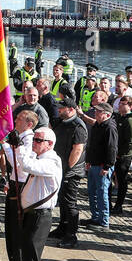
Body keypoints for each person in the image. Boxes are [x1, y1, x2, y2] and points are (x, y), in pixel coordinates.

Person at [3, 125, 62, 261]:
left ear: (49, 144)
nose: (35, 143)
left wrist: (19, 148)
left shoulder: (52, 161)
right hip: (32, 215)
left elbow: (27, 166)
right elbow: (23, 166)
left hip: (40, 217)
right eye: (34, 139)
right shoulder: (40, 158)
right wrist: (14, 147)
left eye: (38, 140)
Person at [48, 95, 87, 248]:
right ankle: (62, 228)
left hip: (71, 171)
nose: (58, 110)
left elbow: (77, 150)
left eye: (62, 108)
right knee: (62, 201)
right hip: (59, 167)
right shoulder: (60, 122)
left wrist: (67, 169)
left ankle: (71, 234)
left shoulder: (78, 126)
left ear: (71, 110)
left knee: (70, 202)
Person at [83, 101, 118, 230]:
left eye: (99, 111)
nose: (96, 113)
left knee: (102, 193)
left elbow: (111, 149)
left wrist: (107, 166)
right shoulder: (98, 125)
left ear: (107, 114)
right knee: (92, 192)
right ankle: (95, 217)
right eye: (96, 111)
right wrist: (88, 160)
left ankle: (104, 221)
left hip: (102, 166)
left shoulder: (109, 127)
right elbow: (92, 145)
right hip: (93, 164)